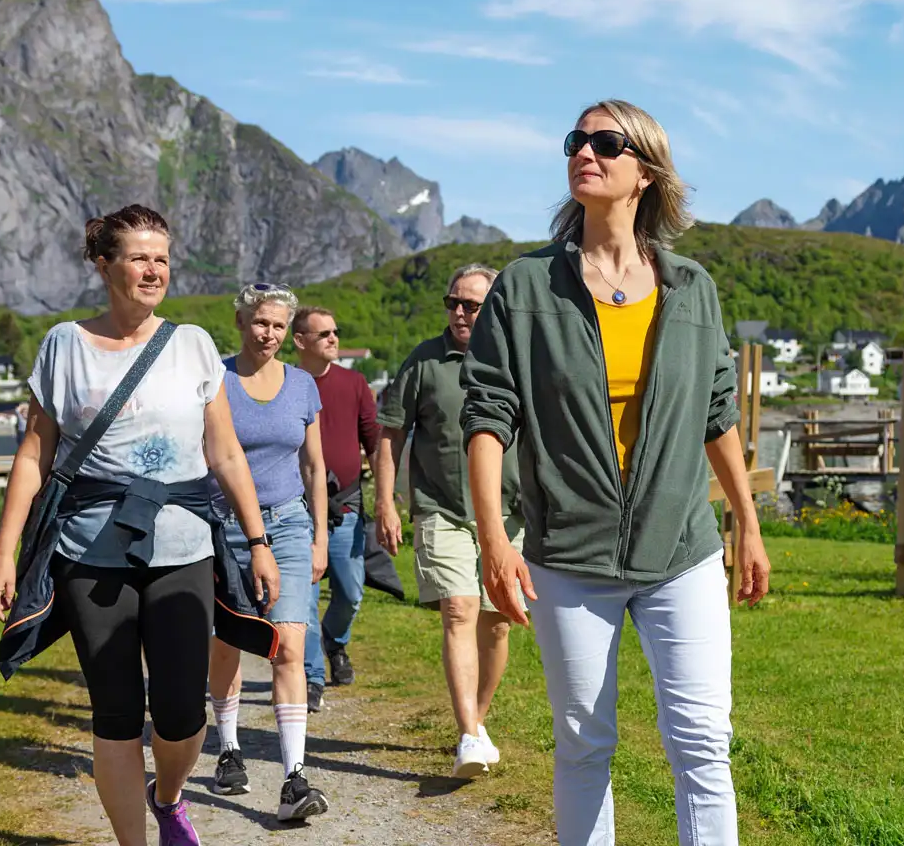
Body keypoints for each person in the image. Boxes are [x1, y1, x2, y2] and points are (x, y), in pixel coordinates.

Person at [460, 100, 772, 846]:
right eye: (576, 140)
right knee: (584, 747)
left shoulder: (692, 287)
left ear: (646, 171)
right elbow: (488, 416)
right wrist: (495, 541)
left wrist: (748, 523)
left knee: (702, 744)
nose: (584, 153)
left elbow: (718, 414)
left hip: (682, 551)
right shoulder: (526, 286)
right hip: (569, 552)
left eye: (606, 142)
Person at [0, 204, 279, 846]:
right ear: (103, 264)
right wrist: (5, 553)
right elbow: (35, 453)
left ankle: (168, 797)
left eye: (163, 259)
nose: (155, 270)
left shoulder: (194, 344)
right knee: (115, 711)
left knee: (180, 712)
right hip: (90, 549)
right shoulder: (64, 344)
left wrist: (257, 542)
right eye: (140, 257)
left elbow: (224, 453)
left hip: (182, 546)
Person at [374, 263, 522, 778]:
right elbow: (390, 432)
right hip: (442, 509)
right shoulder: (425, 361)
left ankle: (476, 723)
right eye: (452, 302)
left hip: (508, 515)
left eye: (471, 305)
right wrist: (386, 501)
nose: (459, 312)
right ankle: (467, 736)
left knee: (498, 623)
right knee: (458, 610)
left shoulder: (518, 357)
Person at [205, 283, 332, 821]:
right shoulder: (216, 378)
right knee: (227, 647)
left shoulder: (302, 385)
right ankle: (229, 747)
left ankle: (294, 777)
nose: (270, 334)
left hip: (287, 526)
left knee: (289, 648)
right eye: (261, 322)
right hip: (224, 527)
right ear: (241, 320)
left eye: (279, 325)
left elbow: (313, 466)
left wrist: (320, 535)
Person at [291, 306, 379, 708]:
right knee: (304, 601)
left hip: (345, 509)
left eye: (335, 331)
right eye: (323, 333)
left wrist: (384, 497)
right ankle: (311, 677)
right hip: (296, 510)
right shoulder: (284, 382)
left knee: (351, 593)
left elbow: (375, 442)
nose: (333, 338)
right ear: (300, 341)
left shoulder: (355, 382)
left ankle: (335, 641)